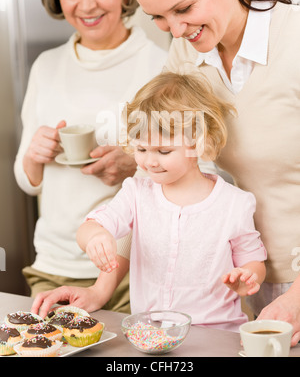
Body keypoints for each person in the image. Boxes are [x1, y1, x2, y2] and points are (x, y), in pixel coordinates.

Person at [122, 0, 300, 343]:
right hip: (239, 280)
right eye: (159, 18)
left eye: (183, 8)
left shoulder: (292, 42)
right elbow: (164, 167)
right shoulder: (186, 55)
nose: (176, 29)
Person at [14, 0, 167, 314]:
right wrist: (34, 156)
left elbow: (200, 169)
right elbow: (27, 180)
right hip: (52, 265)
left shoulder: (159, 65)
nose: (86, 5)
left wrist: (134, 163)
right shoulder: (46, 66)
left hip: (133, 270)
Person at [77, 72, 266, 332]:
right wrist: (96, 237)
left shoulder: (235, 203)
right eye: (141, 149)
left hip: (216, 336)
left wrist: (248, 277)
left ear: (199, 143)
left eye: (163, 151)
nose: (150, 161)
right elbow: (90, 227)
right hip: (150, 334)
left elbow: (253, 261)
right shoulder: (136, 192)